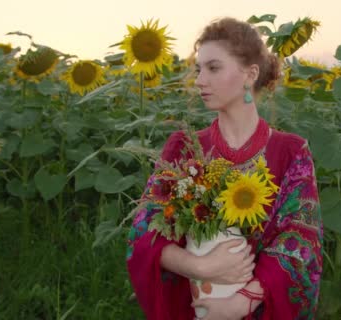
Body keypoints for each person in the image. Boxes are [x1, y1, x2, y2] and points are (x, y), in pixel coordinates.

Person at [126, 17, 323, 320]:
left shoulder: (291, 152)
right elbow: (143, 232)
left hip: (258, 309)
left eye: (213, 68)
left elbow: (300, 246)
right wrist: (199, 266)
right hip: (195, 308)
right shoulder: (184, 147)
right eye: (199, 69)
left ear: (250, 74)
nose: (200, 80)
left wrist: (241, 302)